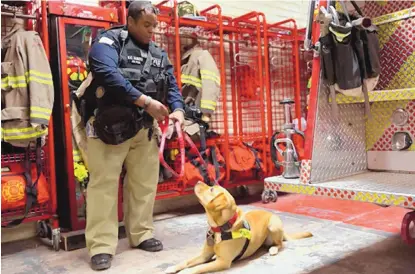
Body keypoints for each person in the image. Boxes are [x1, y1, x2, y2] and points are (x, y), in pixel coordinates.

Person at [82, 1, 185, 270]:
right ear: (130, 21)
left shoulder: (159, 54)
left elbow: (171, 84)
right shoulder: (109, 41)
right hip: (108, 128)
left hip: (144, 130)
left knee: (144, 184)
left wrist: (178, 110)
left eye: (155, 25)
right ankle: (101, 246)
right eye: (146, 25)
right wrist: (145, 101)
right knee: (103, 186)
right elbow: (105, 72)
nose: (152, 30)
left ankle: (141, 234)